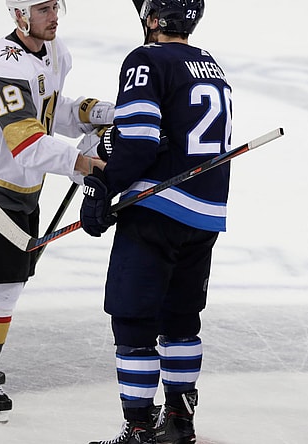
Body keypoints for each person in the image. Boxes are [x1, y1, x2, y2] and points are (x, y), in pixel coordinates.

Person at [0, 0, 114, 424]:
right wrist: (86, 166)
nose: (53, 16)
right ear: (19, 14)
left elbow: (51, 110)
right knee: (2, 285)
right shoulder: (2, 64)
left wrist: (96, 113)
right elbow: (27, 142)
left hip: (24, 186)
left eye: (56, 6)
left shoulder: (55, 52)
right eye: (43, 8)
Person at [80, 1, 231, 443]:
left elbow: (140, 142)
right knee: (182, 320)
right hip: (205, 215)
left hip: (156, 211)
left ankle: (140, 428)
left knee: (133, 320)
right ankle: (181, 424)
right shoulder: (211, 65)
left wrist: (103, 187)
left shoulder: (144, 59)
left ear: (151, 19)